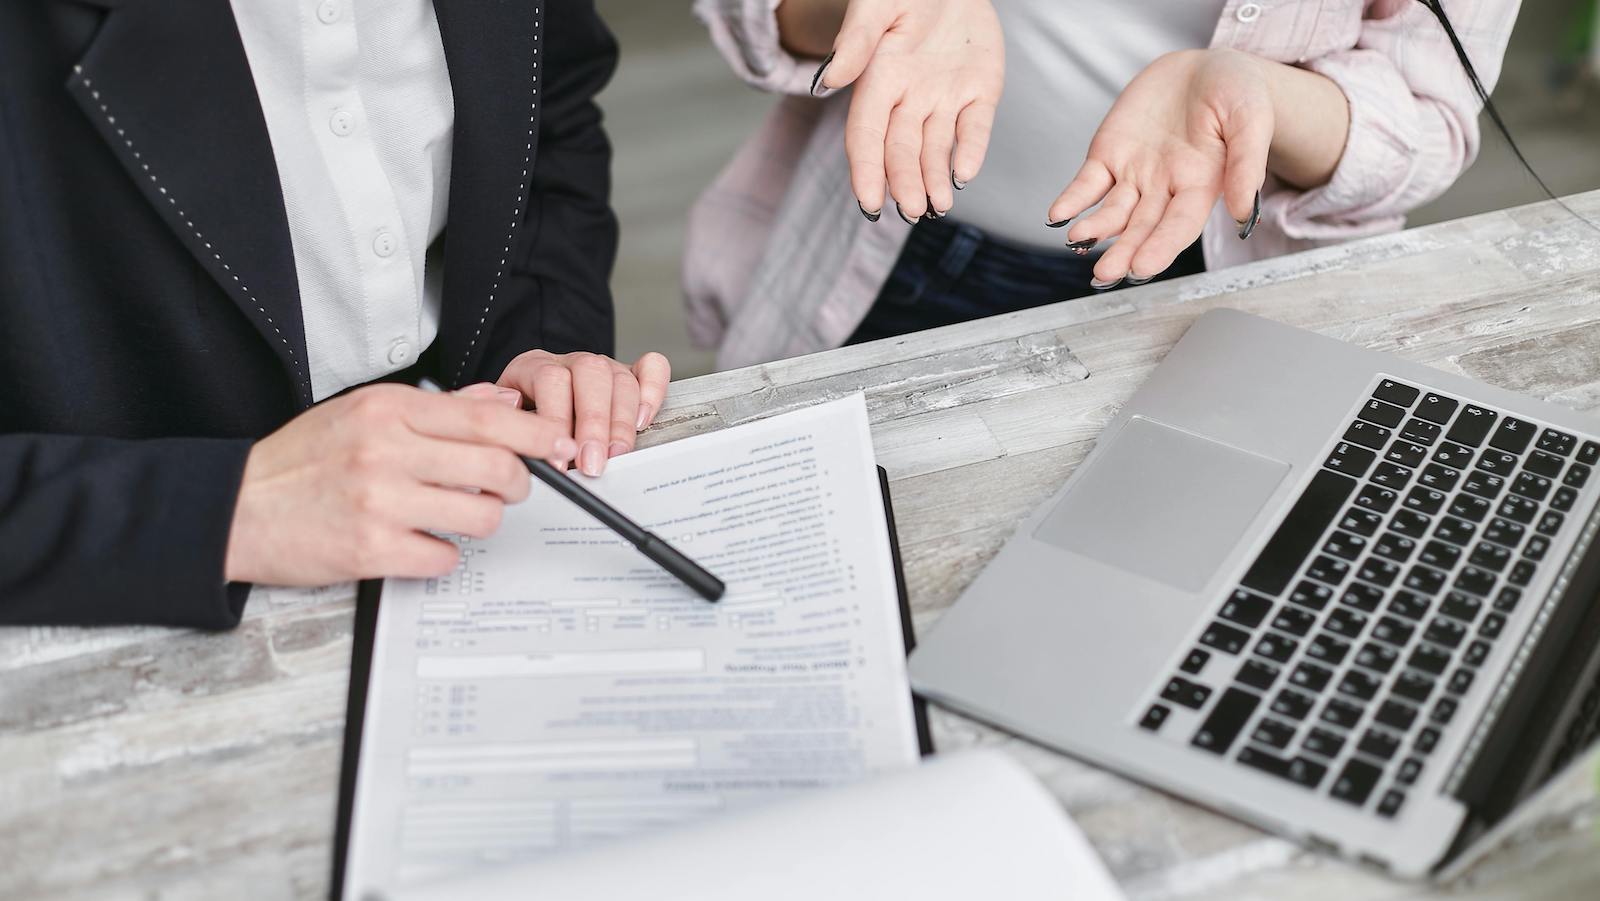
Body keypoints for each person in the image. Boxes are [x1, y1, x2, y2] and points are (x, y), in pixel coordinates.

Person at [0, 1, 669, 628]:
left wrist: (535, 342)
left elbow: (552, 107)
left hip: (477, 532)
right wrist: (222, 509)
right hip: (145, 608)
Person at [685, 0, 1520, 367]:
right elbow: (751, 12)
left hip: (1229, 296)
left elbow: (1432, 116)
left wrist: (1257, 95)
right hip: (904, 256)